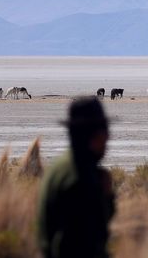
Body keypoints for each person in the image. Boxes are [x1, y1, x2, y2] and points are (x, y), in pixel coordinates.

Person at [37, 96, 115, 258]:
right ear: (94, 135)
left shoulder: (60, 166)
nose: (108, 137)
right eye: (105, 130)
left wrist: (106, 197)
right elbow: (74, 244)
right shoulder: (80, 178)